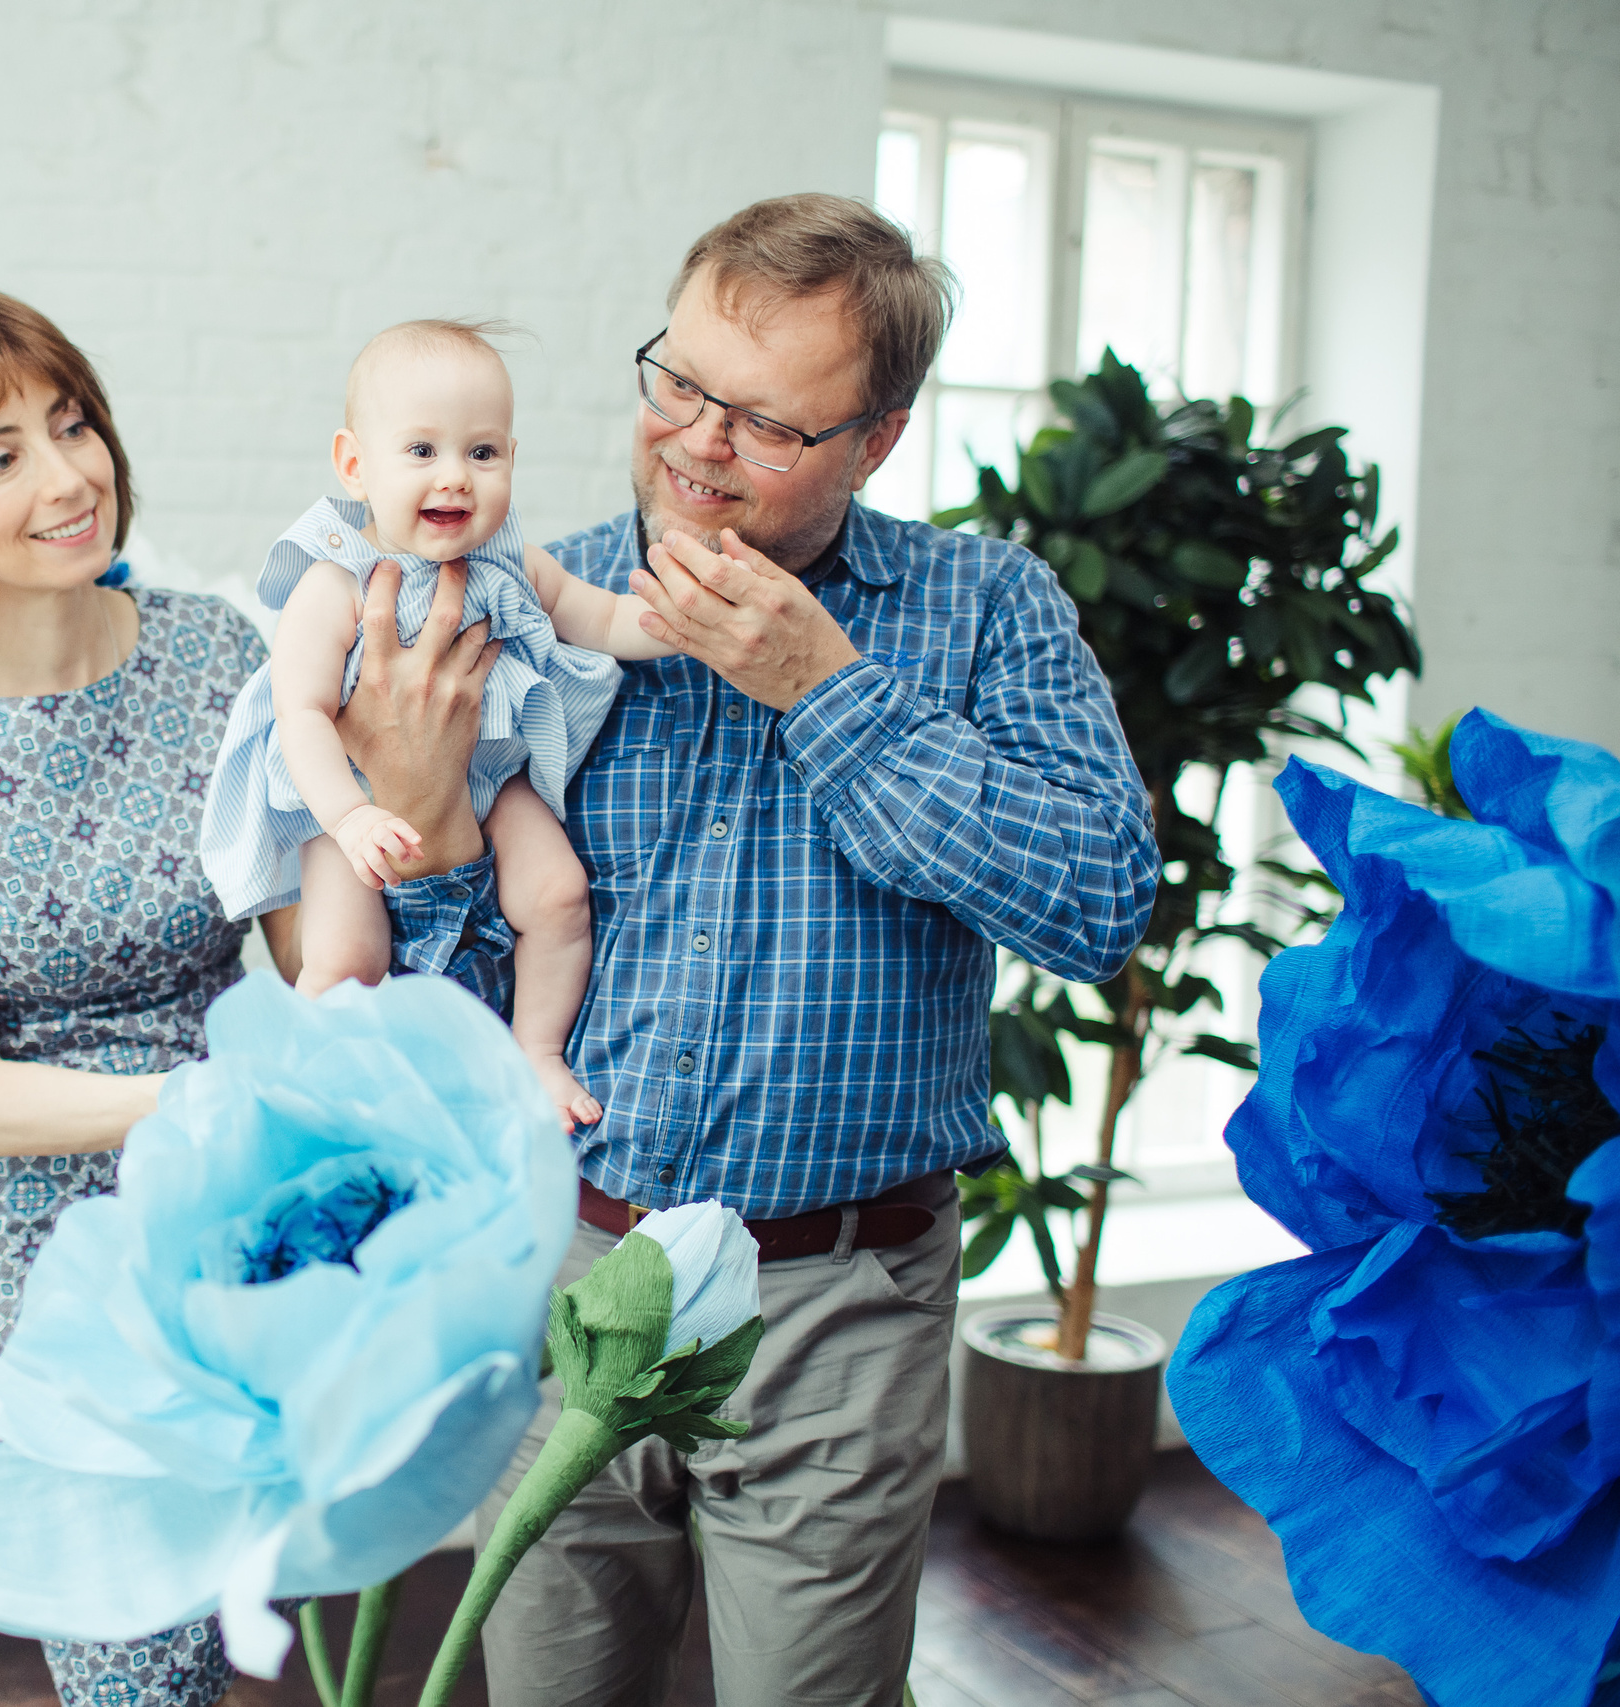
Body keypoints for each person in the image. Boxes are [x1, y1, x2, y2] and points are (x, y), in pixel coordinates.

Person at [338, 195, 1161, 1704]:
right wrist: (413, 814)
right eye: (682, 384)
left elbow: (1098, 903)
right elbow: (418, 992)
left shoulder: (984, 613)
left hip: (837, 1306)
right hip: (560, 1257)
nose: (697, 445)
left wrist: (827, 688)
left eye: (767, 425)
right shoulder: (529, 601)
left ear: (876, 440)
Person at [0, 289, 298, 1707]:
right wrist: (206, 1100)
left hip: (259, 1195)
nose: (69, 474)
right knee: (139, 1652)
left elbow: (304, 956)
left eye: (70, 424)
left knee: (286, 1609)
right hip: (54, 1238)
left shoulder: (217, 657)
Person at [200, 318, 670, 1128]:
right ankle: (323, 1078)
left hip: (490, 772)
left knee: (559, 896)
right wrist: (348, 819)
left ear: (512, 460)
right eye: (421, 451)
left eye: (481, 453)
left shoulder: (514, 562)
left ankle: (537, 1051)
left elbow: (597, 615)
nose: (455, 476)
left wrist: (670, 621)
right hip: (352, 793)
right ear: (355, 464)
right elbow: (301, 711)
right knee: (347, 954)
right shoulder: (336, 579)